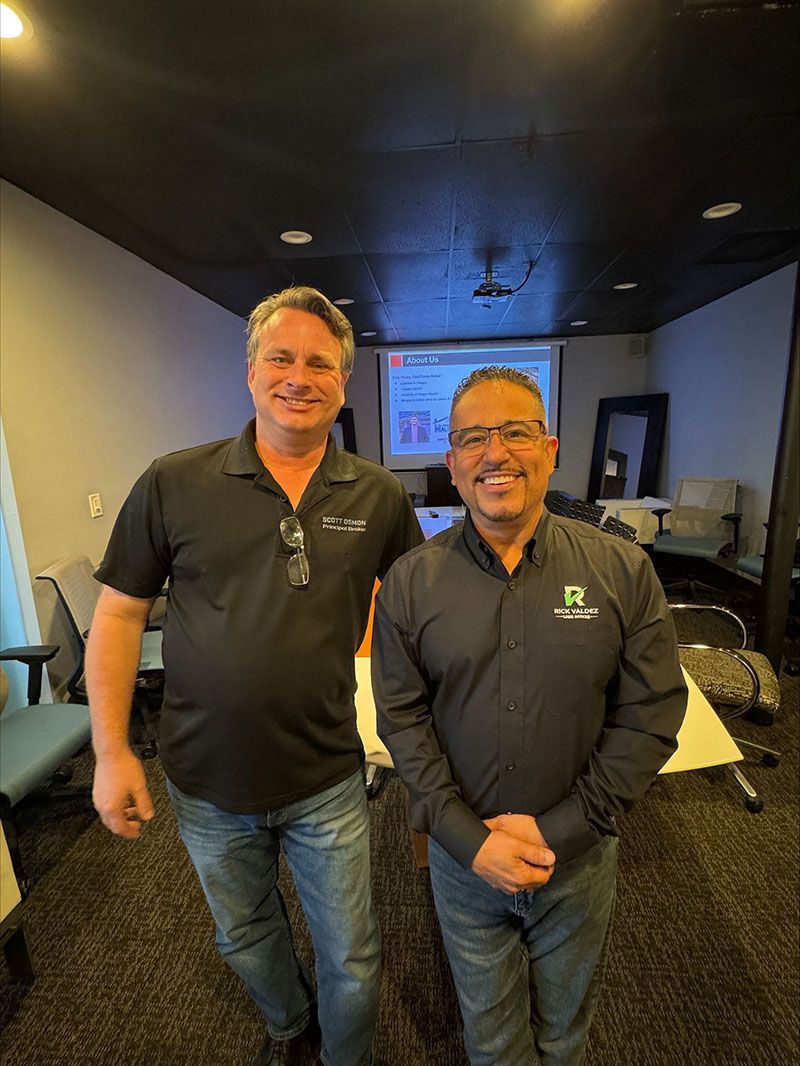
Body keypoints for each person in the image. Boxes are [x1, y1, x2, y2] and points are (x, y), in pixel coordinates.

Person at [86, 286, 423, 1066]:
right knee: (243, 934)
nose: (299, 377)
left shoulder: (377, 494)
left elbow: (425, 609)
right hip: (206, 780)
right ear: (250, 371)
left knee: (354, 959)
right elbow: (119, 615)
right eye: (281, 357)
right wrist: (110, 750)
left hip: (326, 775)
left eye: (320, 364)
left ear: (343, 383)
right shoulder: (174, 481)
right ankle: (288, 1026)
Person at [371, 366, 687, 1066]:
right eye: (473, 438)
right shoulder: (409, 584)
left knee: (566, 1031)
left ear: (549, 450)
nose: (495, 453)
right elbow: (402, 720)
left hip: (578, 860)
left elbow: (651, 714)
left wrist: (561, 829)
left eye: (515, 432)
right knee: (490, 1039)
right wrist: (466, 839)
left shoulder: (622, 571)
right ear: (452, 462)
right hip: (464, 861)